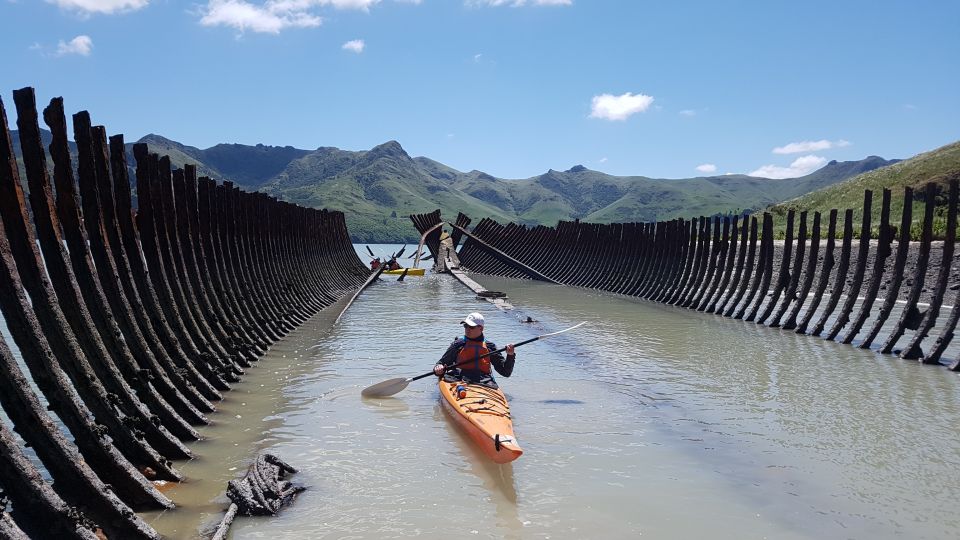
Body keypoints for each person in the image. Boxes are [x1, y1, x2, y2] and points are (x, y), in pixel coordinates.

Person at [433, 312, 515, 389]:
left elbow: (506, 373)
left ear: (481, 328)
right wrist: (438, 369)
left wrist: (510, 355)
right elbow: (441, 363)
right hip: (458, 378)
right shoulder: (458, 344)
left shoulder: (490, 347)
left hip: (483, 381)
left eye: (471, 327)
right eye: (465, 326)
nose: (467, 329)